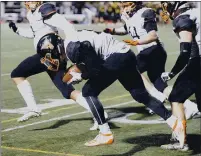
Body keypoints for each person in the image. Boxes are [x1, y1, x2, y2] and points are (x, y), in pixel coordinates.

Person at [63, 30, 181, 147]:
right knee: (140, 95)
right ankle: (174, 122)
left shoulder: (71, 48)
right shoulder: (76, 36)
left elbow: (95, 68)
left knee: (88, 92)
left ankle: (105, 133)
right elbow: (94, 59)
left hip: (116, 58)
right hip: (127, 54)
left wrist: (81, 76)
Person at [103, 2, 200, 119]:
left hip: (153, 50)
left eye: (125, 5)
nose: (123, 8)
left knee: (130, 68)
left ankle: (156, 96)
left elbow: (153, 35)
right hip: (148, 52)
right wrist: (111, 31)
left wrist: (137, 42)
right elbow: (126, 29)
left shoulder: (146, 12)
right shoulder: (131, 17)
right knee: (160, 84)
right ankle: (189, 105)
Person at [8, 1, 94, 122]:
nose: (30, 2)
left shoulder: (43, 9)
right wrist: (17, 30)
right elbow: (35, 34)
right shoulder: (30, 14)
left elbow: (66, 25)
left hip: (50, 54)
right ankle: (99, 113)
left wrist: (72, 43)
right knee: (67, 90)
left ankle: (33, 109)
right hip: (51, 57)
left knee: (17, 74)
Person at [160, 2, 201, 150]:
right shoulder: (198, 11)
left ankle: (180, 141)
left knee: (175, 99)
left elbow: (185, 52)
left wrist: (172, 73)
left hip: (198, 62)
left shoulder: (184, 18)